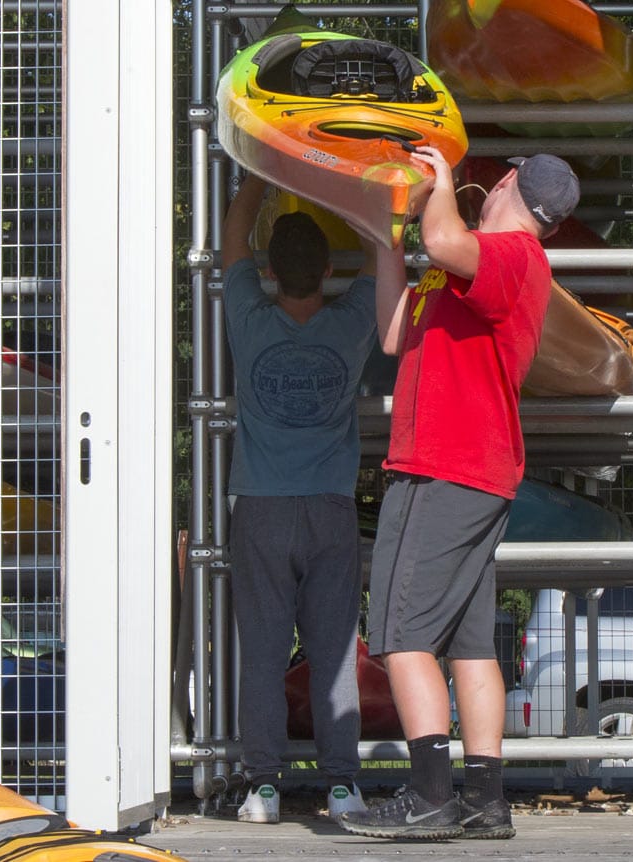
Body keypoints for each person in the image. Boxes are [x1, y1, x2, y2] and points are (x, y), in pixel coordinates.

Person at [338, 150, 580, 840]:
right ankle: (483, 799)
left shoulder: (508, 253)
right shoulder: (476, 269)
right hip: (477, 469)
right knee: (471, 645)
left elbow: (443, 237)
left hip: (445, 464)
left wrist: (439, 178)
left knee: (400, 634)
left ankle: (428, 795)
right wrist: (386, 243)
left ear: (504, 185)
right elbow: (393, 333)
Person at [220, 174, 380, 824]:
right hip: (331, 509)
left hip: (260, 507)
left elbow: (232, 236)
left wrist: (262, 173)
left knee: (261, 655)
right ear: (327, 268)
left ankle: (262, 788)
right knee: (335, 650)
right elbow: (381, 247)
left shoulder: (247, 318)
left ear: (266, 268)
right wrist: (355, 183)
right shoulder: (352, 322)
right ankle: (343, 786)